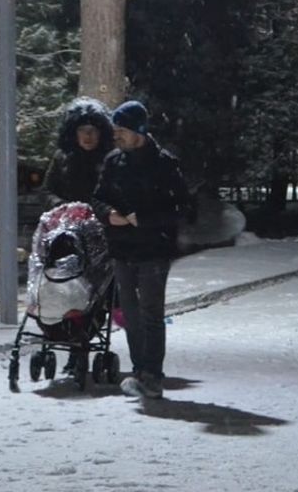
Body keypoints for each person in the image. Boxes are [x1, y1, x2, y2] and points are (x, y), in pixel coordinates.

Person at [93, 100, 193, 399]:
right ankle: (139, 370)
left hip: (154, 250)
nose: (116, 136)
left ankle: (152, 375)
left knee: (151, 313)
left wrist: (146, 220)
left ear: (139, 131)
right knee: (130, 314)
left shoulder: (164, 164)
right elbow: (98, 197)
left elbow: (183, 208)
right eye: (115, 130)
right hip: (122, 250)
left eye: (121, 130)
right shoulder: (114, 162)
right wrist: (107, 213)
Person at [40, 97, 113, 209]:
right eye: (82, 130)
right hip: (67, 219)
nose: (87, 135)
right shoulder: (61, 156)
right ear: (73, 132)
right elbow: (46, 191)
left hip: (104, 219)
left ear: (102, 133)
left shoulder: (112, 158)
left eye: (93, 130)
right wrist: (62, 206)